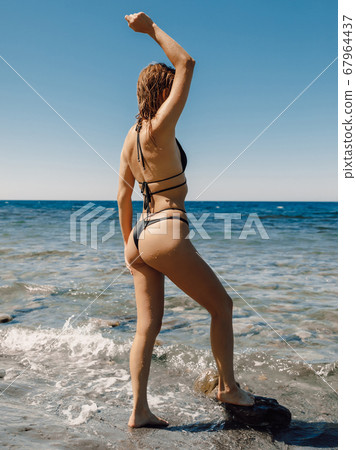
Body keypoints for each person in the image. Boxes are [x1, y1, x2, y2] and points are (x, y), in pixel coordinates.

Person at [118, 12, 255, 429]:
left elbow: (123, 195)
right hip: (166, 231)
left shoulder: (130, 137)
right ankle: (227, 386)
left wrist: (129, 248)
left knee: (148, 326)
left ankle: (139, 411)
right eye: (170, 87)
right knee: (223, 307)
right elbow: (187, 63)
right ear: (163, 93)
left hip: (140, 236)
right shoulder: (160, 127)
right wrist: (152, 29)